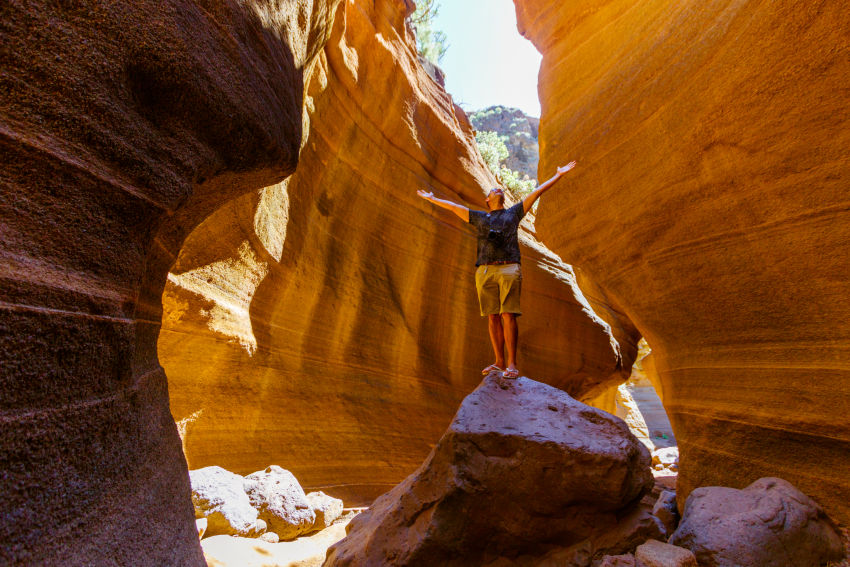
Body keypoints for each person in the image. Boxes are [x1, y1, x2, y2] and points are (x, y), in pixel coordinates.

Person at [417, 161, 577, 379]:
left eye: (499, 189)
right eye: (493, 190)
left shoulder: (514, 213)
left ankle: (512, 364)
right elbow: (455, 208)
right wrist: (432, 198)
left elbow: (537, 191)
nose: (497, 189)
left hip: (509, 267)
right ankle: (499, 362)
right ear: (487, 200)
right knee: (492, 317)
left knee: (508, 313)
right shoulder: (480, 217)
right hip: (484, 271)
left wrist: (558, 174)